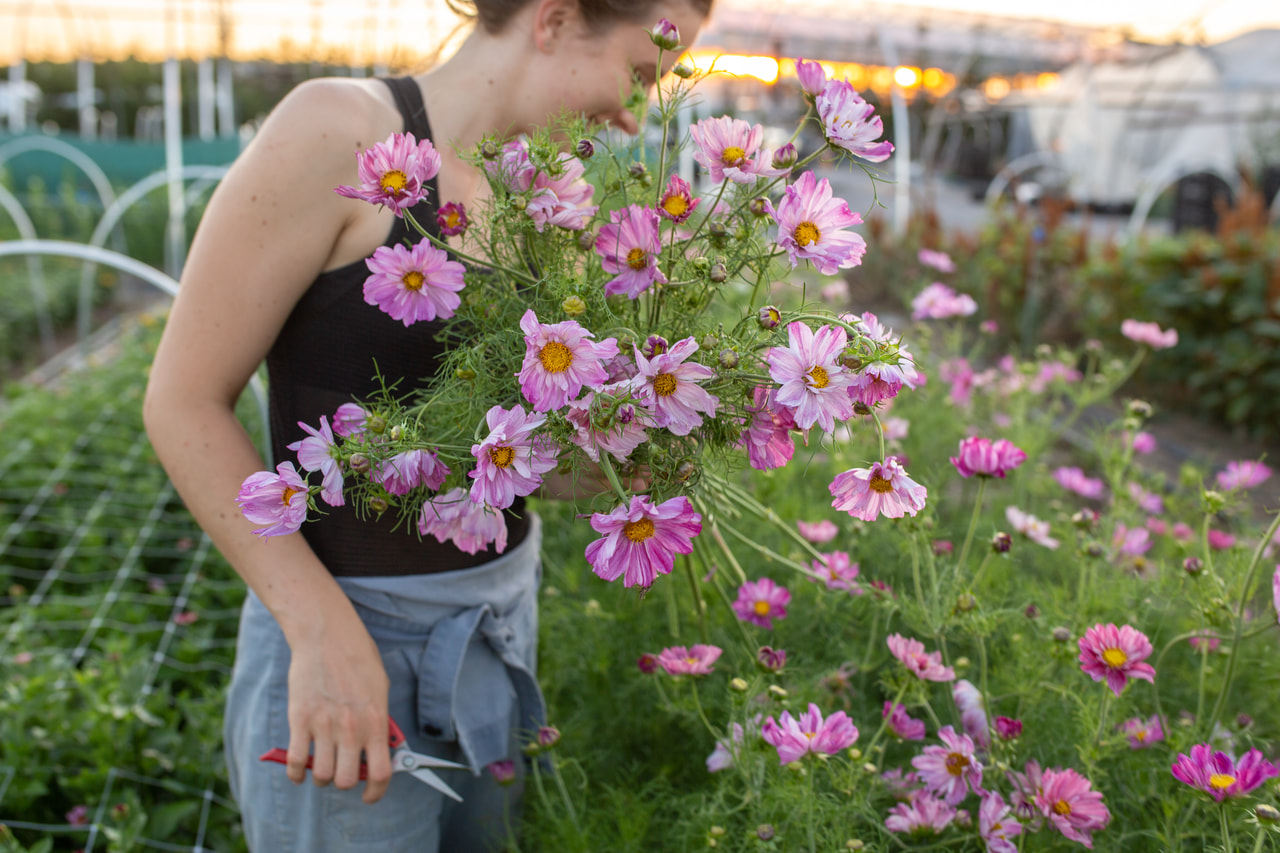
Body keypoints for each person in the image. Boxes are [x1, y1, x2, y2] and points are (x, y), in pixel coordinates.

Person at [142, 0, 711, 849]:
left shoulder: (534, 197)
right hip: (349, 641)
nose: (635, 111)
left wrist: (610, 458)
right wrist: (321, 634)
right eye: (640, 70)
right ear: (553, 19)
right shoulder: (342, 130)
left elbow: (482, 449)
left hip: (494, 632)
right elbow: (182, 402)